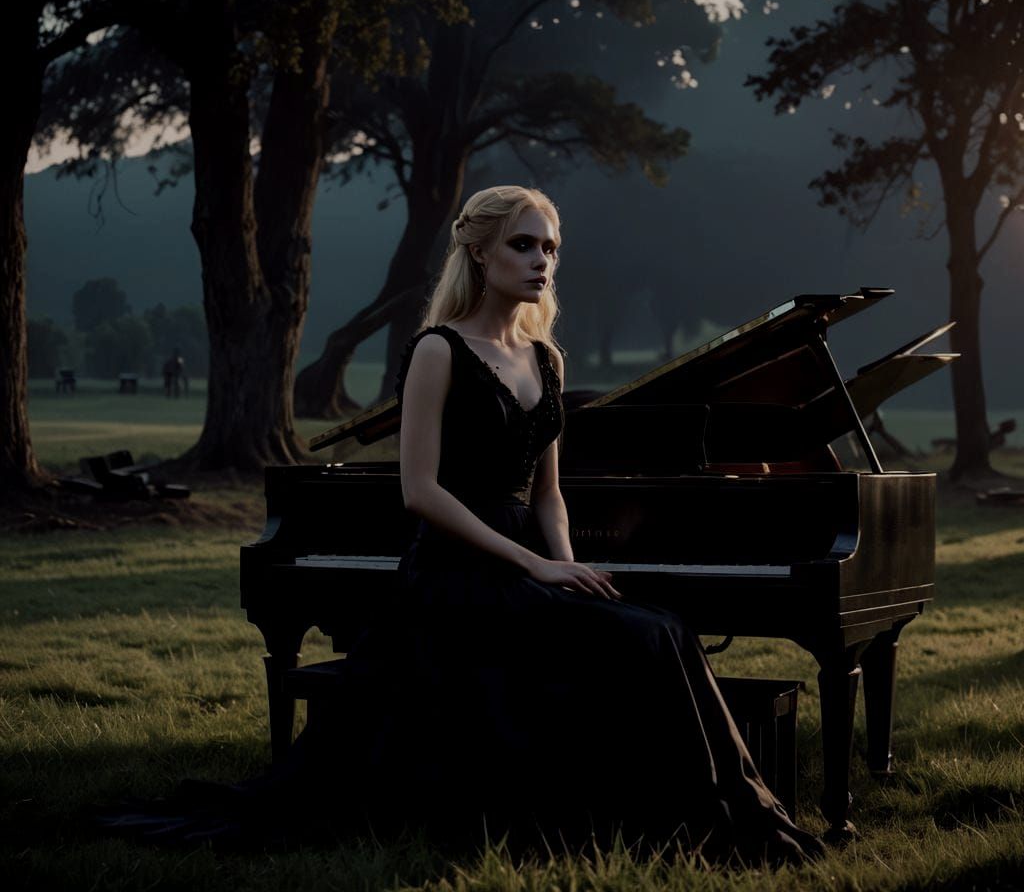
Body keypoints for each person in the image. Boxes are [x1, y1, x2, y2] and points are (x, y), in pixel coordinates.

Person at [96, 184, 825, 865]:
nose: (542, 261)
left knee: (661, 629)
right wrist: (535, 566)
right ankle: (711, 828)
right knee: (651, 636)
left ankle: (732, 818)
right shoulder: (437, 351)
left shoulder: (548, 359)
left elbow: (549, 494)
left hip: (530, 569)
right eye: (524, 245)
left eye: (551, 248)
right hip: (454, 576)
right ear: (478, 253)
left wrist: (568, 568)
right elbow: (419, 492)